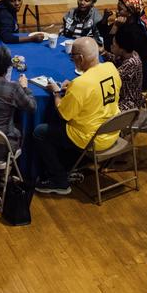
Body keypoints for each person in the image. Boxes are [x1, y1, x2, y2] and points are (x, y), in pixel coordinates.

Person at [30, 37, 120, 195]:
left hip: (91, 139)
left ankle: (59, 180)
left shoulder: (82, 84)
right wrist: (72, 86)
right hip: (112, 131)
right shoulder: (111, 68)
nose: (72, 61)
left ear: (80, 58)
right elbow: (94, 88)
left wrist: (56, 93)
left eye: (73, 58)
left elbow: (63, 114)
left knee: (41, 132)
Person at [106, 22, 147, 111]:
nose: (111, 46)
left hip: (128, 103)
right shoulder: (130, 53)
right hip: (120, 95)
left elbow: (110, 79)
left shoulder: (131, 64)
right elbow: (116, 59)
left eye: (114, 45)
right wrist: (104, 52)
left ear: (122, 48)